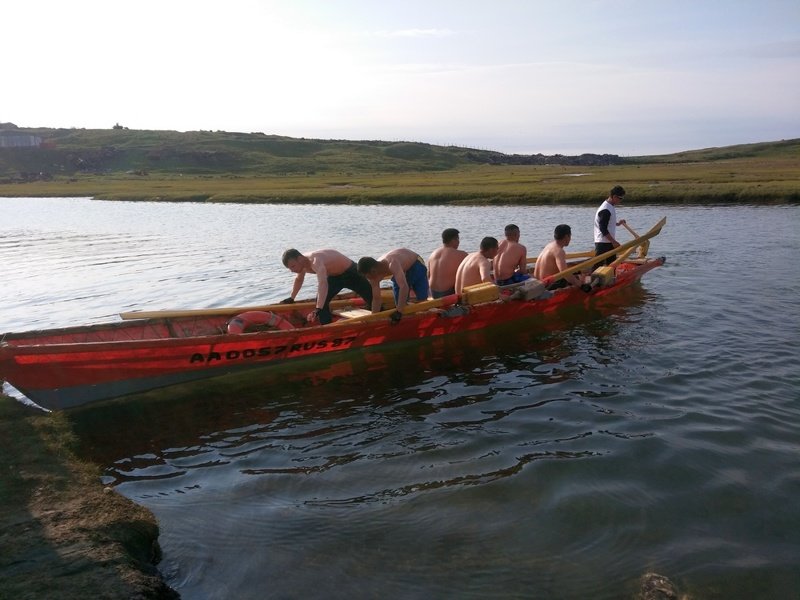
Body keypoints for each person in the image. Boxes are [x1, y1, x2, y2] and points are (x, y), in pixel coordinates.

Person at [281, 248, 372, 325]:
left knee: (371, 297)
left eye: (293, 266)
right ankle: (328, 326)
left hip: (351, 272)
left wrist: (318, 309)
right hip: (334, 277)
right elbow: (299, 280)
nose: (292, 270)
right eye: (290, 268)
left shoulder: (316, 261)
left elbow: (322, 283)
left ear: (300, 259)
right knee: (321, 302)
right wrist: (292, 297)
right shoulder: (301, 264)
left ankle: (377, 317)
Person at [357, 248, 430, 321]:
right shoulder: (373, 276)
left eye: (367, 277)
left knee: (421, 299)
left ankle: (424, 314)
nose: (369, 279)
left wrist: (399, 312)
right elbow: (376, 299)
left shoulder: (392, 264)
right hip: (401, 268)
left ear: (373, 271)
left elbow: (404, 287)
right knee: (399, 303)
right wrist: (373, 318)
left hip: (416, 263)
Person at [534, 224, 583, 289]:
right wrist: (581, 285)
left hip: (537, 282)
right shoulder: (559, 251)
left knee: (574, 274)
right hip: (546, 286)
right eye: (570, 236)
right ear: (566, 236)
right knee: (578, 278)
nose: (570, 239)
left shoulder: (549, 245)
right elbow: (565, 274)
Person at [427, 228, 468, 299]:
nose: (459, 242)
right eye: (458, 239)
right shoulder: (461, 254)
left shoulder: (433, 254)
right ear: (453, 240)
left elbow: (428, 275)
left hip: (432, 292)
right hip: (447, 293)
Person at [594, 185, 627, 265]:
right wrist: (614, 241)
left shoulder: (610, 206)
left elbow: (607, 223)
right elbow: (603, 228)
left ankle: (612, 277)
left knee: (612, 265)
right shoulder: (606, 209)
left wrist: (617, 223)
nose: (621, 201)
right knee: (598, 265)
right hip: (603, 242)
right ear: (614, 196)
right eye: (620, 198)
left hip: (608, 241)